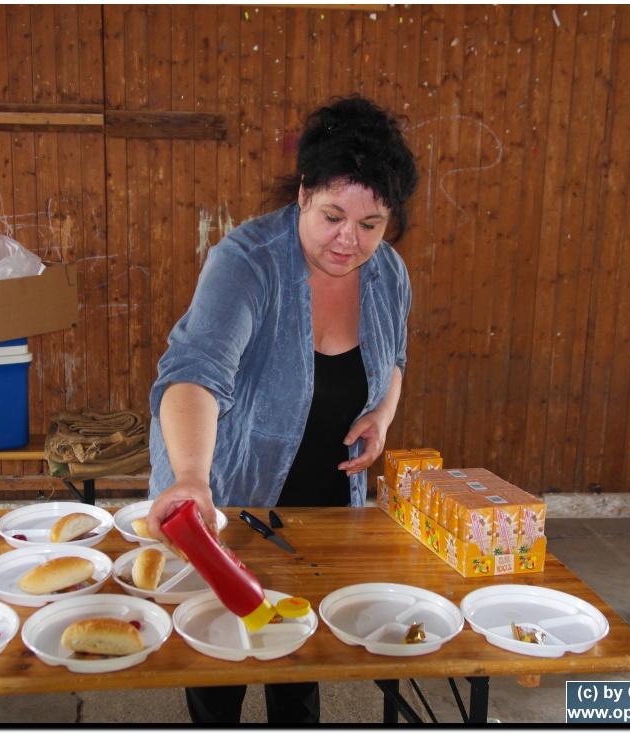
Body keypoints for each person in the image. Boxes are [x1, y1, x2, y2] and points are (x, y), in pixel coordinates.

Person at [144, 95, 420, 723]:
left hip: (322, 504)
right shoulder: (246, 263)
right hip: (230, 495)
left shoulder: (389, 274)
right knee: (220, 663)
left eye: (371, 224)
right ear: (302, 194)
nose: (349, 240)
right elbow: (193, 374)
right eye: (331, 216)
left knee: (301, 661)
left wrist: (382, 414)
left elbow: (397, 356)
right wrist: (190, 476)